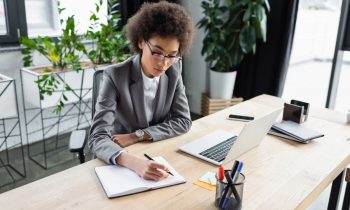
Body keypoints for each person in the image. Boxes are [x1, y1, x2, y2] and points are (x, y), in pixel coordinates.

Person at [88, 2, 194, 181]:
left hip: (154, 151)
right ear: (141, 42)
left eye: (171, 55)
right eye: (157, 53)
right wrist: (134, 163)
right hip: (118, 158)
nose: (164, 63)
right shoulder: (115, 76)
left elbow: (183, 121)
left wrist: (137, 135)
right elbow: (98, 137)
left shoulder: (174, 72)